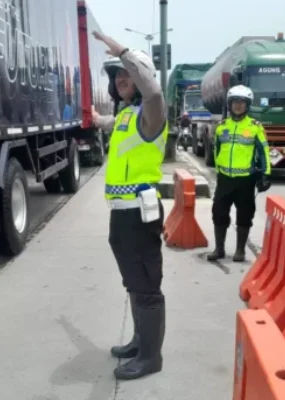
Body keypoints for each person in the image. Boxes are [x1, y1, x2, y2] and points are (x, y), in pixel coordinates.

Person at [91, 30, 168, 381]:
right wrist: (96, 119)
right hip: (121, 215)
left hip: (140, 213)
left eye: (126, 73)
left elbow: (152, 90)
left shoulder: (151, 113)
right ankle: (140, 341)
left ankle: (151, 357)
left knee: (147, 288)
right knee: (133, 284)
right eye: (116, 75)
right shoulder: (125, 116)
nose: (121, 78)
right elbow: (113, 125)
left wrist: (124, 52)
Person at [207, 85, 271, 262]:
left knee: (244, 215)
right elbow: (216, 150)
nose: (238, 105)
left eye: (242, 102)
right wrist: (218, 171)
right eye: (235, 101)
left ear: (247, 105)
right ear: (229, 104)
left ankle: (240, 250)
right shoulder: (221, 127)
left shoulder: (255, 127)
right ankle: (219, 249)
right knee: (219, 213)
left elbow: (264, 151)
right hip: (225, 179)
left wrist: (265, 174)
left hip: (246, 181)